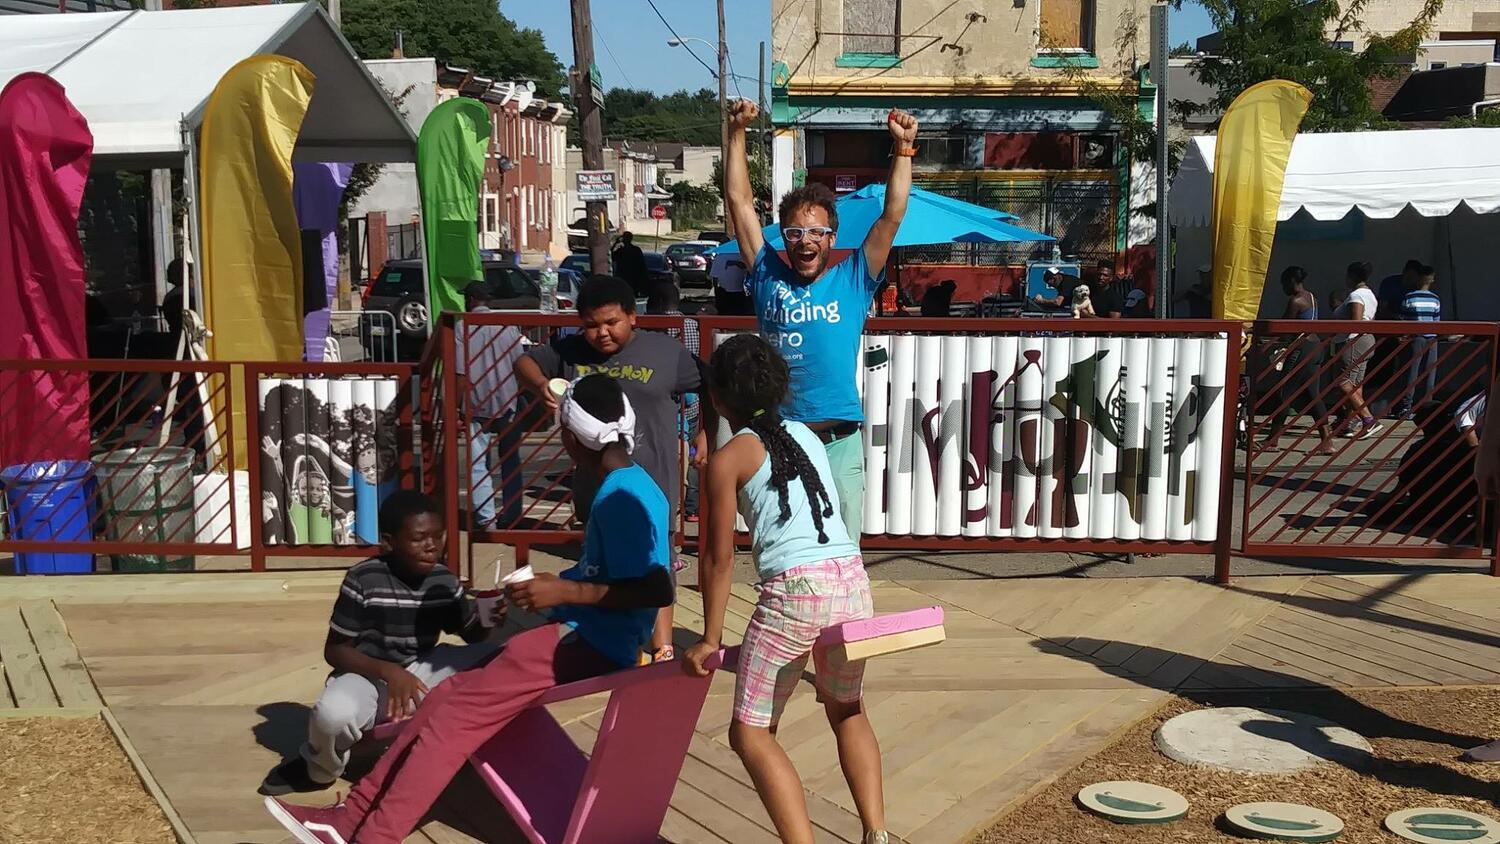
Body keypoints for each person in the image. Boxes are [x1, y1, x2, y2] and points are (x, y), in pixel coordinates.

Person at [263, 375, 675, 844]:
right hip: (588, 636)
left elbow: (655, 587)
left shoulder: (617, 497)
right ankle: (349, 817)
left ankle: (374, 835)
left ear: (570, 438)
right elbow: (615, 572)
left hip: (588, 642)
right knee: (444, 697)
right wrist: (557, 584)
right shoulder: (639, 484)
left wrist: (563, 593)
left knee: (451, 726)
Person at [683, 334, 887, 844]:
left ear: (718, 397)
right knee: (847, 709)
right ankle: (877, 834)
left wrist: (710, 639)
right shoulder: (808, 436)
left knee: (750, 731)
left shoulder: (730, 458)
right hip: (850, 581)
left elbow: (719, 557)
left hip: (795, 592)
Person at [724, 98, 917, 542]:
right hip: (781, 441)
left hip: (839, 442)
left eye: (816, 232)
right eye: (794, 232)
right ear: (784, 239)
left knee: (844, 558)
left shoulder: (853, 278)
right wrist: (736, 133)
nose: (805, 241)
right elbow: (739, 201)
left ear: (832, 237)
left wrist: (903, 151)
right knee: (786, 555)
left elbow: (891, 216)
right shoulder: (767, 274)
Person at [515, 275, 708, 662]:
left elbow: (709, 384)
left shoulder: (665, 352)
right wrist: (539, 385)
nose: (601, 333)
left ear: (633, 317)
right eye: (591, 325)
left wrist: (706, 433)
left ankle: (662, 645)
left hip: (652, 479)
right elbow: (524, 361)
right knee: (604, 563)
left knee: (659, 561)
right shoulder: (569, 352)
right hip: (595, 484)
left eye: (611, 322)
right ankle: (620, 640)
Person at [257, 491, 498, 797]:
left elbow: (471, 635)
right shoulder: (364, 579)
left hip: (422, 669)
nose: (432, 546)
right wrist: (389, 672)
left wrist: (490, 618)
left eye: (439, 536)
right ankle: (319, 770)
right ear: (389, 542)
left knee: (502, 660)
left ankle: (469, 745)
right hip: (368, 674)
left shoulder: (444, 581)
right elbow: (335, 650)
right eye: (419, 538)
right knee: (332, 716)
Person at [458, 282, 526, 529]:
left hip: (476, 401)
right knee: (510, 459)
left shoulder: (461, 327)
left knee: (478, 464)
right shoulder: (507, 326)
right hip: (507, 399)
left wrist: (457, 406)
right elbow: (520, 363)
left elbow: (459, 373)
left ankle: (486, 520)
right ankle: (513, 514)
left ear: (472, 300)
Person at [1258, 267, 1335, 455]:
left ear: (1292, 281)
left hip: (1301, 350)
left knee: (1284, 392)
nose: (1283, 287)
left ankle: (1272, 440)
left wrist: (1266, 342)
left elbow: (1285, 327)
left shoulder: (1296, 301)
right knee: (1312, 394)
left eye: (1284, 283)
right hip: (1315, 348)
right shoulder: (1312, 297)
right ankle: (1327, 440)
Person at [1335, 261, 1382, 439]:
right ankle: (1350, 423)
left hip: (1355, 340)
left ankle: (1369, 420)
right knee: (1355, 384)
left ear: (1351, 276)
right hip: (1367, 339)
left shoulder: (1356, 295)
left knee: (1343, 382)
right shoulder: (1370, 294)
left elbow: (1356, 322)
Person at [1395, 265, 1441, 419]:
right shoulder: (1435, 299)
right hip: (1432, 338)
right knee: (1429, 374)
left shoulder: (1409, 297)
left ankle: (1406, 407)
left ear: (1418, 279)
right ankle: (1427, 406)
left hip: (1415, 338)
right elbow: (1437, 320)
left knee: (1411, 374)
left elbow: (1402, 319)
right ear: (1432, 279)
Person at [610, 231, 650, 299]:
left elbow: (611, 256)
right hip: (633, 278)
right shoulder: (636, 250)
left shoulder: (622, 251)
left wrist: (615, 243)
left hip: (624, 277)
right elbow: (642, 265)